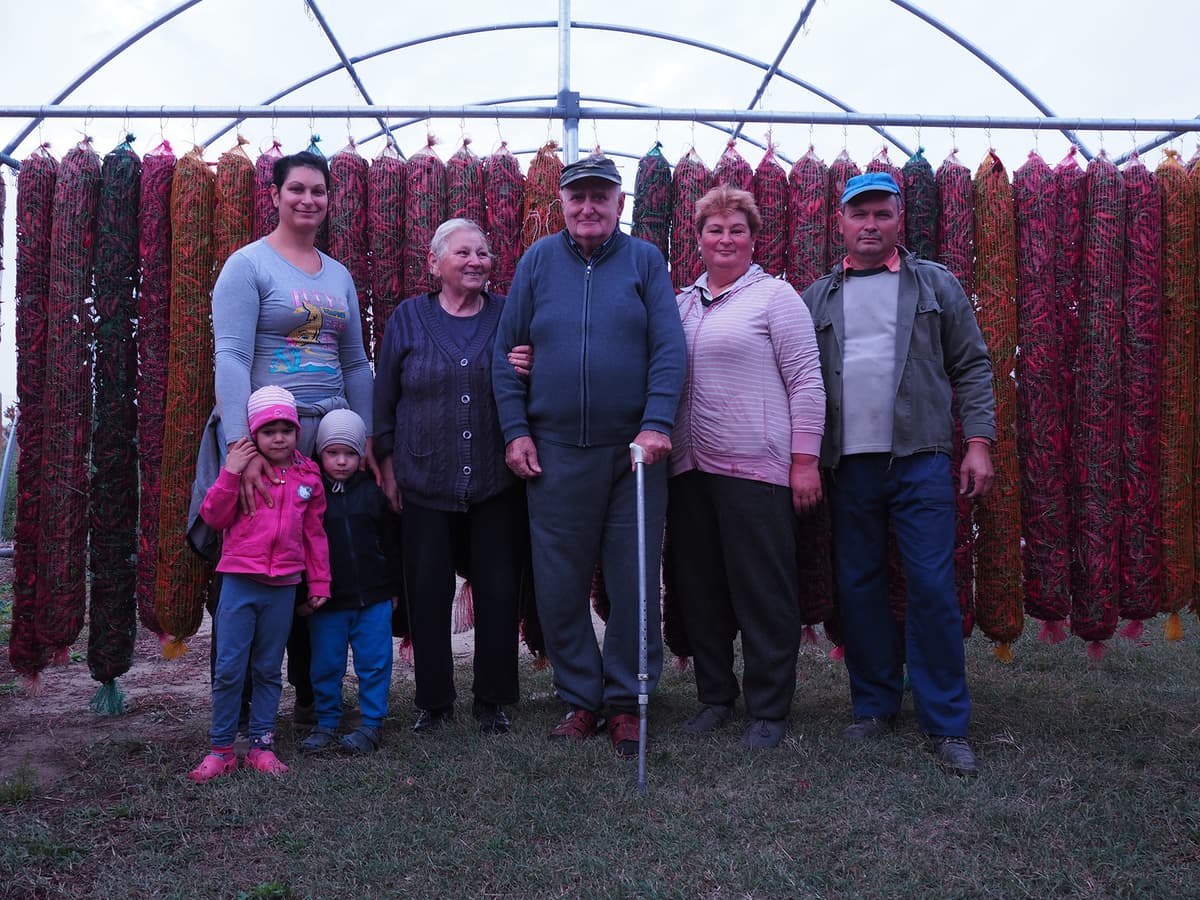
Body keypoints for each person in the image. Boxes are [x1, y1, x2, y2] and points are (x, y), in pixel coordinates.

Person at [492, 155, 687, 758]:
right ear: (563, 202)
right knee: (559, 582)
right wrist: (516, 431)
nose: (588, 207)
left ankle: (627, 701)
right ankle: (581, 697)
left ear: (619, 202)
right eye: (578, 197)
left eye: (601, 196)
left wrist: (656, 422)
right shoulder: (538, 262)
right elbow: (507, 354)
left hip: (633, 452)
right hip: (553, 452)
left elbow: (669, 350)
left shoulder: (645, 261)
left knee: (633, 579)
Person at [800, 172, 995, 777]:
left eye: (882, 214)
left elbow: (972, 364)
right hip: (848, 464)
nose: (870, 225)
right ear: (840, 223)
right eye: (859, 215)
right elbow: (800, 378)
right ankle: (874, 704)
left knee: (932, 586)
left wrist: (979, 444)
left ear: (898, 220)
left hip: (922, 459)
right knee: (858, 585)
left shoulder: (935, 284)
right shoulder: (818, 296)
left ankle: (946, 721)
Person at [191, 149, 375, 725]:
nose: (308, 199)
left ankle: (307, 697)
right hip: (268, 437)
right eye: (297, 188)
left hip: (328, 439)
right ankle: (239, 701)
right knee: (253, 562)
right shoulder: (247, 266)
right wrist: (241, 447)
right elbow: (232, 356)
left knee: (312, 560)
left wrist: (364, 441)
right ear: (274, 195)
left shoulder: (339, 274)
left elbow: (357, 365)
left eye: (319, 191)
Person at [667, 185, 825, 749]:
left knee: (762, 589)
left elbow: (807, 379)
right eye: (715, 229)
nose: (725, 239)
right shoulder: (682, 303)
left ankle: (769, 707)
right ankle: (715, 696)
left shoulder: (775, 298)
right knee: (700, 588)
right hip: (688, 470)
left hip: (756, 466)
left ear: (754, 239)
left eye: (737, 230)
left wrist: (804, 459)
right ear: (699, 239)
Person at [374, 218, 528, 736]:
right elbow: (385, 398)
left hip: (494, 480)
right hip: (423, 477)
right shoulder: (408, 318)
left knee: (499, 590)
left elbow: (533, 370)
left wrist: (528, 362)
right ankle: (433, 702)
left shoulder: (508, 315)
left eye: (483, 253)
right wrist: (389, 465)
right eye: (463, 253)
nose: (476, 261)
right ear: (434, 264)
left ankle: (493, 699)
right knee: (427, 591)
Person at [188, 386, 330, 783]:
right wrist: (231, 471)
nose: (279, 437)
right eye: (269, 430)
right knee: (230, 668)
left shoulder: (309, 476)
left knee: (268, 668)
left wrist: (319, 580)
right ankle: (220, 749)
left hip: (283, 587)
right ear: (254, 433)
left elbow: (315, 535)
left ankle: (261, 746)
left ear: (298, 431)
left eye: (287, 428)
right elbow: (213, 517)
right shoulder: (239, 471)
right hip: (239, 582)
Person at [299, 410, 401, 756]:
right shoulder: (310, 494)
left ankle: (371, 723)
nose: (341, 461)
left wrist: (393, 589)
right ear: (319, 453)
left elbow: (391, 543)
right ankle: (327, 721)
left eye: (350, 453)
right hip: (328, 601)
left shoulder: (373, 496)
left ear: (361, 455)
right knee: (326, 663)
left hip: (373, 597)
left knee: (374, 661)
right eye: (332, 452)